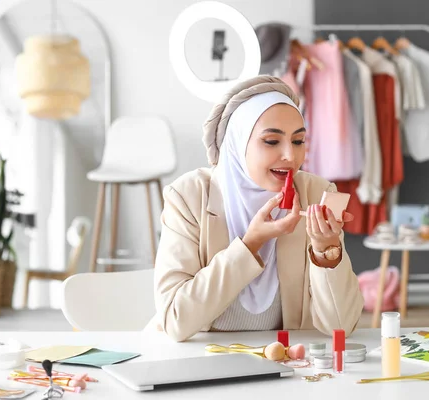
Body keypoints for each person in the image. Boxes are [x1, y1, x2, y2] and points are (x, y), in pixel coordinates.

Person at [148, 76, 364, 342]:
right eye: (272, 142)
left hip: (286, 365)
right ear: (238, 144)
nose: (290, 156)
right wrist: (251, 243)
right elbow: (175, 321)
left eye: (298, 141)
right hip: (199, 364)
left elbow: (342, 327)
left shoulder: (319, 195)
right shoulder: (188, 197)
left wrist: (327, 252)